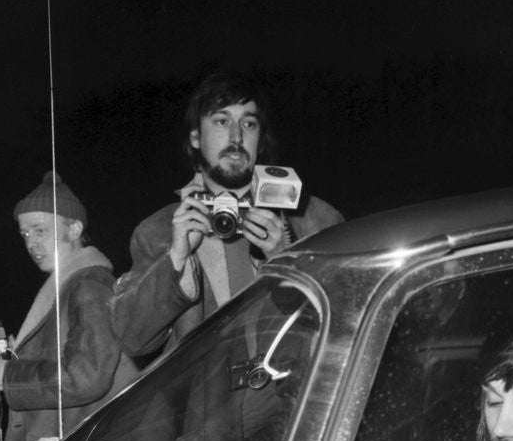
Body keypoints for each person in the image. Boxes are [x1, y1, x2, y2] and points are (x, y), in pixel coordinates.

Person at [111, 72, 343, 358]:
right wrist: (176, 260)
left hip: (293, 384)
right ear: (195, 137)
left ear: (260, 140)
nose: (237, 136)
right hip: (204, 387)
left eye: (249, 123)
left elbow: (348, 319)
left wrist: (286, 261)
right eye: (221, 121)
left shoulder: (314, 218)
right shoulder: (158, 230)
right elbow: (131, 339)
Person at [0, 172, 139, 441]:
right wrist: (18, 359)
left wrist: (12, 378)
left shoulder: (89, 284)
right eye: (25, 234)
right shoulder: (63, 287)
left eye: (40, 230)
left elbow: (88, 375)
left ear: (74, 229)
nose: (31, 243)